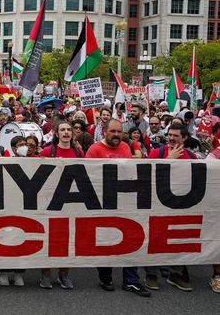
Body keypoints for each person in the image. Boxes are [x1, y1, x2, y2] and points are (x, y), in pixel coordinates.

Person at [85, 118, 149, 297]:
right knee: (106, 241)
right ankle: (105, 277)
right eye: (112, 131)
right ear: (104, 131)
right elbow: (88, 177)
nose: (116, 135)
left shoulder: (125, 148)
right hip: (102, 203)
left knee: (131, 240)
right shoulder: (94, 149)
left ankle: (132, 280)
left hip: (124, 201)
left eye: (119, 132)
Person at [143, 122, 196, 292]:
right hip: (157, 203)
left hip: (181, 205)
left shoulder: (191, 156)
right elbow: (146, 175)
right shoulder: (157, 152)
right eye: (170, 135)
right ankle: (151, 274)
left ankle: (176, 273)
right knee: (155, 237)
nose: (171, 139)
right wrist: (167, 161)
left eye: (176, 136)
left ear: (185, 138)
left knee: (178, 238)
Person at [36, 121, 81, 289]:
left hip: (71, 202)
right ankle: (45, 274)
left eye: (69, 129)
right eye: (62, 130)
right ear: (56, 134)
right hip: (50, 202)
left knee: (67, 239)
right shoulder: (48, 151)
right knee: (48, 238)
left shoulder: (78, 152)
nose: (66, 132)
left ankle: (63, 274)